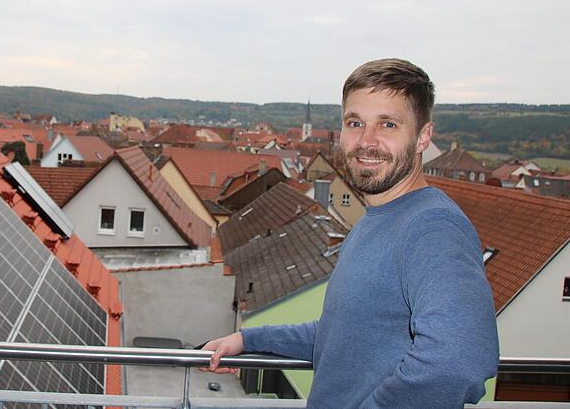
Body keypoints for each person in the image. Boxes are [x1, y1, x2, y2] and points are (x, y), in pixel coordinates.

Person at [202, 58, 499, 408]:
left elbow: (459, 361)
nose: (366, 141)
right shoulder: (373, 221)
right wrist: (248, 338)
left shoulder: (432, 227)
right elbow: (342, 336)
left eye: (388, 124)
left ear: (423, 137)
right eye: (355, 123)